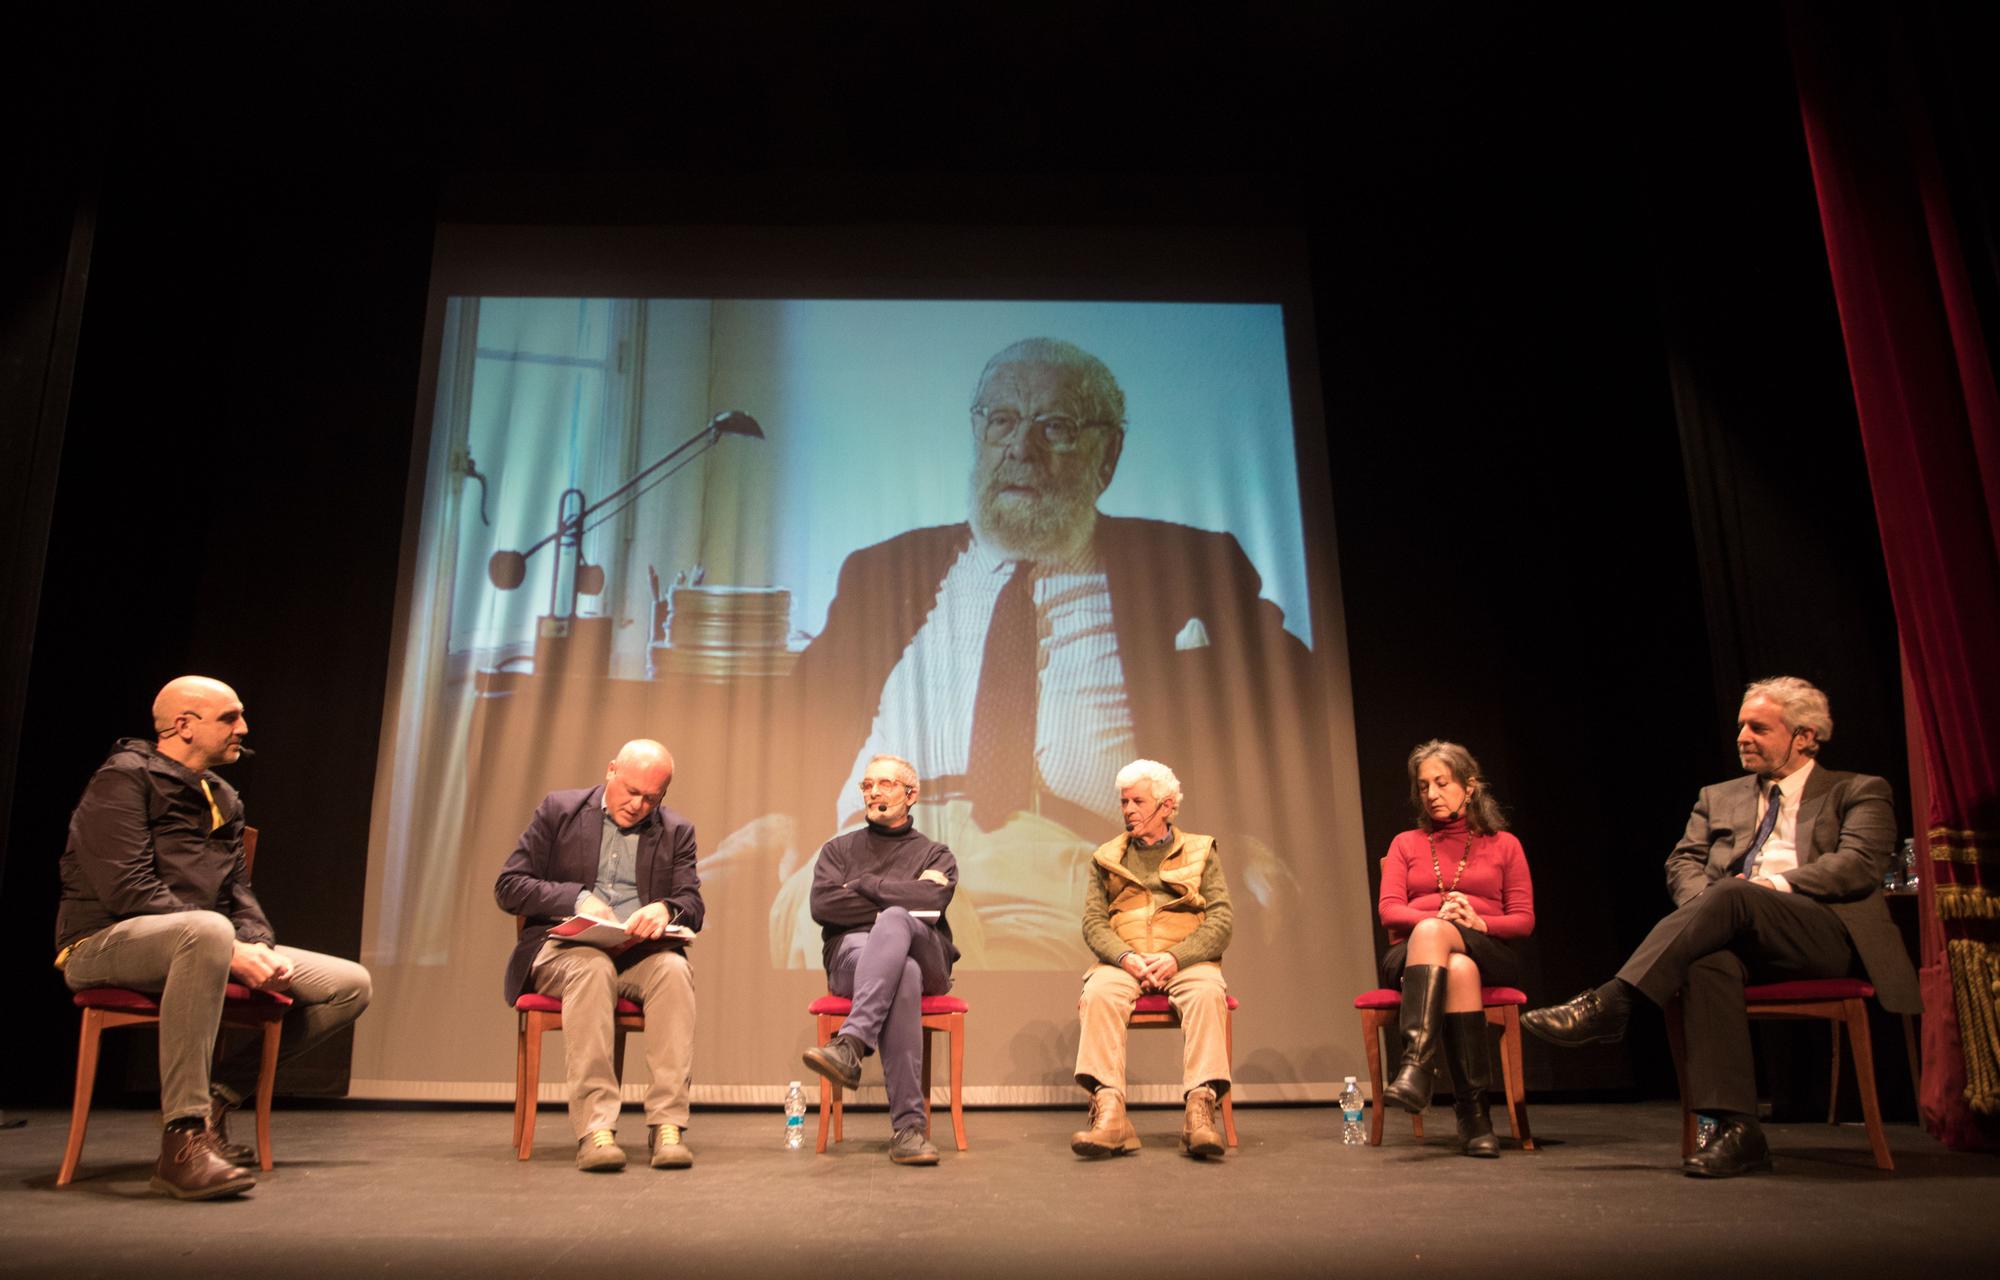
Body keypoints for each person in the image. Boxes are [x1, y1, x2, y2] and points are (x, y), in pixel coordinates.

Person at [755, 337, 1318, 968]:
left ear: (1108, 455)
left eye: (1055, 427)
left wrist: (1247, 840)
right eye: (1001, 421)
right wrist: (778, 817)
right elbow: (802, 712)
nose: (1020, 448)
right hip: (877, 849)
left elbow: (1290, 701)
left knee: (972, 951)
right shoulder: (884, 572)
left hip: (1056, 863)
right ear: (978, 436)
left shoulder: (1187, 568)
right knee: (857, 920)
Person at [1523, 676, 1921, 1177]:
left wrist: (1767, 888)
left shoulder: (1857, 790)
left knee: (1735, 892)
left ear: (1805, 736)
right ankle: (1740, 1131)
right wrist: (1709, 908)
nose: (1742, 737)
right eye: (1740, 727)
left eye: (1758, 727)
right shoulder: (1719, 795)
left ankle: (1615, 1002)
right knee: (1707, 958)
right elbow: (1682, 863)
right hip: (1735, 929)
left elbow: (1857, 865)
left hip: (1821, 932)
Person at [55, 676, 372, 1200]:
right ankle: (182, 1141)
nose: (243, 729)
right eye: (230, 717)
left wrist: (257, 944)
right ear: (183, 725)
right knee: (205, 930)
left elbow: (237, 891)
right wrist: (229, 948)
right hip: (102, 944)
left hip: (200, 940)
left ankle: (219, 1098)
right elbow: (127, 889)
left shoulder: (222, 795)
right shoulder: (122, 780)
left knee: (349, 983)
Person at [494, 739, 704, 1172]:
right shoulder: (560, 811)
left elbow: (692, 904)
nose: (639, 804)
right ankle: (596, 1129)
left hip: (633, 953)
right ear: (611, 771)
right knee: (591, 969)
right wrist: (576, 899)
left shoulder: (676, 830)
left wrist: (666, 908)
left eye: (652, 797)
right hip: (562, 949)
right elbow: (509, 885)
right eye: (631, 791)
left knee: (673, 969)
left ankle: (667, 1124)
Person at [798, 754, 960, 1165]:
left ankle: (851, 1043)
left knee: (895, 923)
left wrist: (867, 885)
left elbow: (933, 901)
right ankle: (909, 1130)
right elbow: (825, 906)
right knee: (899, 969)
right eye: (867, 785)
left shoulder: (936, 854)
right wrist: (903, 895)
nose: (873, 792)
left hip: (930, 961)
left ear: (911, 795)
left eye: (884, 784)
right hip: (852, 959)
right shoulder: (837, 851)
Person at [1375, 740, 1534, 1157]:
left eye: (1442, 783)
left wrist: (1479, 922)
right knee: (1457, 965)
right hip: (1412, 952)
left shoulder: (1505, 845)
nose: (1431, 794)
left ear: (1470, 786)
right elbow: (1390, 912)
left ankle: (1416, 1064)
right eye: (1424, 785)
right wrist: (1438, 922)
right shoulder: (1405, 844)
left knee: (1457, 949)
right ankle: (1474, 1115)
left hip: (1488, 947)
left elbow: (1522, 920)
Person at [1070, 759, 1232, 1159]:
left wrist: (1177, 958)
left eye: (1138, 801)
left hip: (1186, 960)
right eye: (1124, 802)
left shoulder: (1201, 850)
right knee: (1100, 993)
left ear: (1167, 806)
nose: (1128, 810)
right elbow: (1093, 922)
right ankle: (1110, 1115)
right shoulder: (1105, 857)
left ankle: (1200, 1110)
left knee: (1207, 992)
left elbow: (1221, 920)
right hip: (1124, 962)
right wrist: (1124, 957)